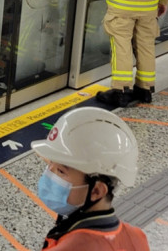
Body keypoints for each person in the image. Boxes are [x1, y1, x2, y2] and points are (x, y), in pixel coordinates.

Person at [31, 107, 150, 251]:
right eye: (50, 164)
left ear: (97, 191)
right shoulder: (137, 238)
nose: (49, 174)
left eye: (61, 171)